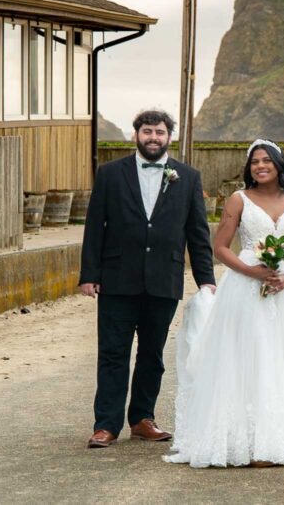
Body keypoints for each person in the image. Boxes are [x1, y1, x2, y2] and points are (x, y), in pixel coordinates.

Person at [165, 139, 284, 468]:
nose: (260, 166)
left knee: (282, 358)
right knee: (248, 356)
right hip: (245, 288)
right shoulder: (239, 200)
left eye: (267, 161)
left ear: (278, 165)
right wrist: (253, 272)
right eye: (255, 162)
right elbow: (221, 247)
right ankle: (243, 444)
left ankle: (276, 442)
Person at [79, 109, 216, 449]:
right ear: (135, 135)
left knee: (152, 354)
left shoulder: (188, 177)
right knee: (113, 353)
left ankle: (142, 418)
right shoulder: (110, 174)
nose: (153, 137)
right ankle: (106, 425)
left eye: (159, 132)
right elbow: (95, 227)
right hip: (117, 279)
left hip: (164, 280)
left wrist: (206, 280)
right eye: (147, 131)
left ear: (169, 137)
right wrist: (89, 275)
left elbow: (197, 234)